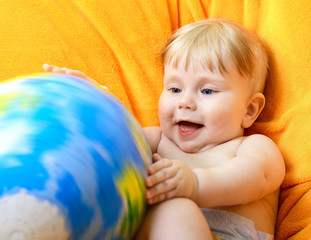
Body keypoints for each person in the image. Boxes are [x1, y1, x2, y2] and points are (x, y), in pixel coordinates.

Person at [43, 18, 285, 240]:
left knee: (174, 208)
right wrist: (96, 103)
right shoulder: (157, 140)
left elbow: (256, 177)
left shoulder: (252, 147)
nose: (185, 102)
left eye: (207, 91)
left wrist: (195, 185)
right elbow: (115, 144)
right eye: (174, 89)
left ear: (250, 110)